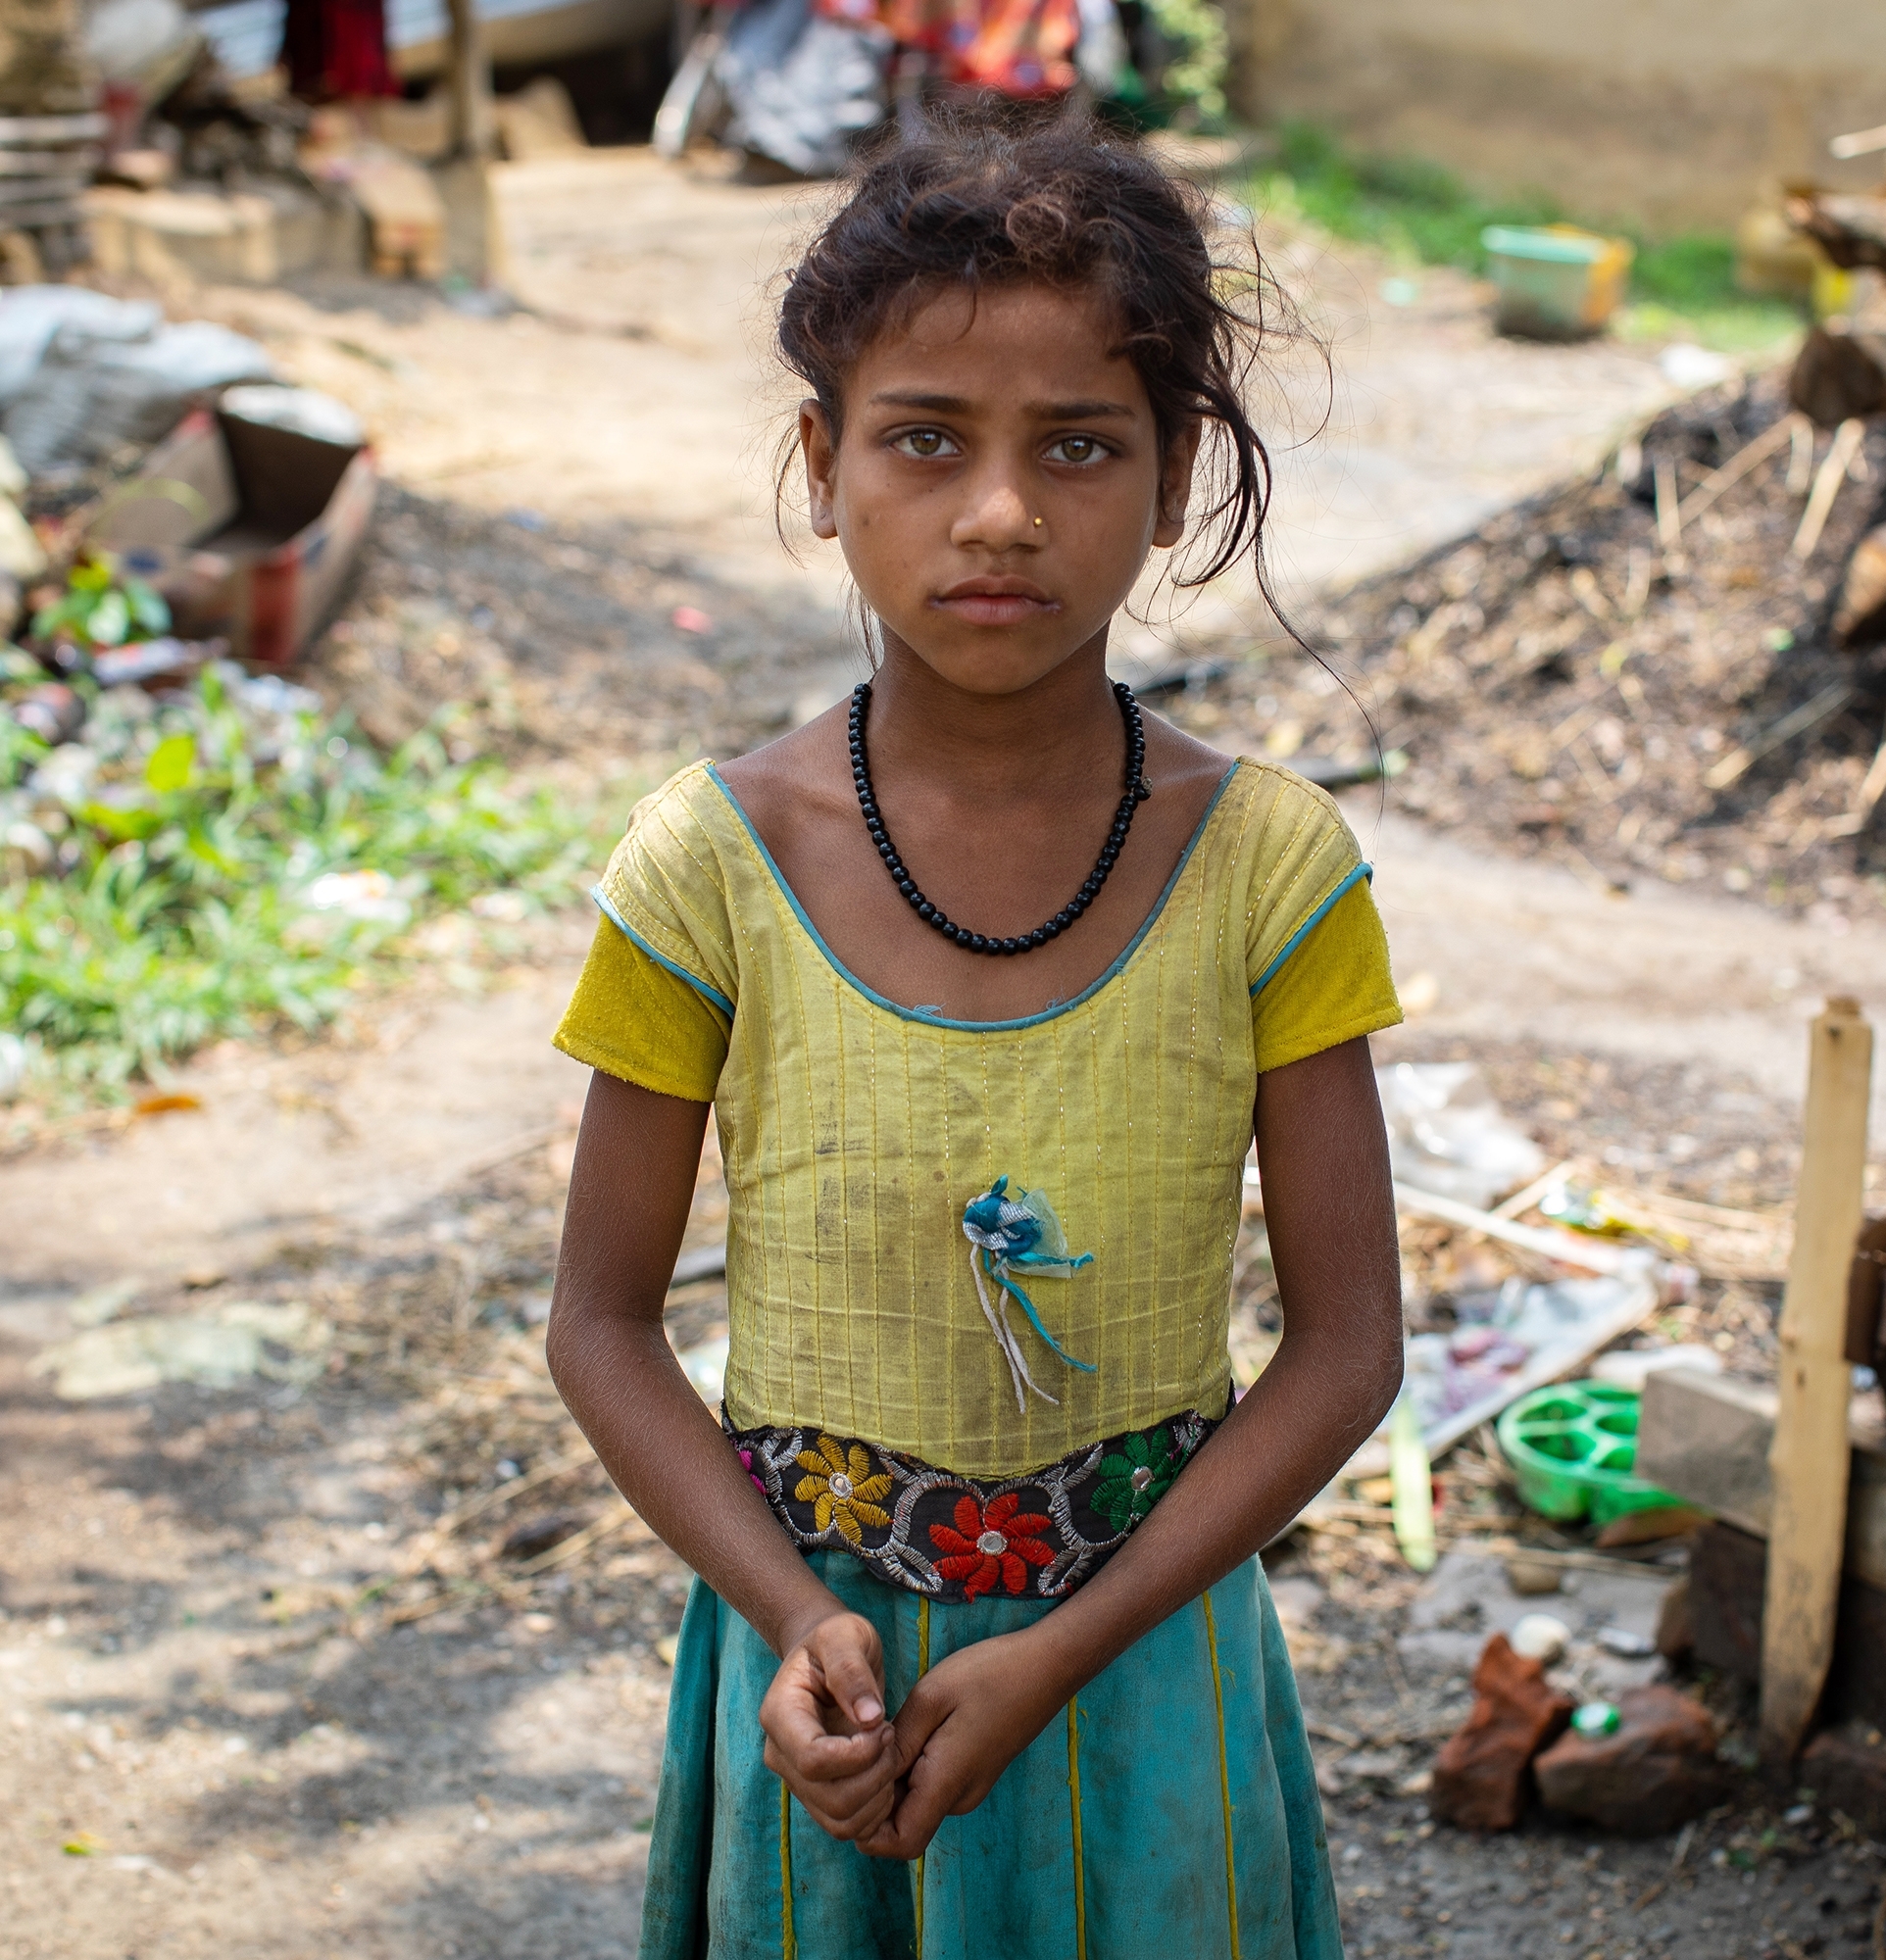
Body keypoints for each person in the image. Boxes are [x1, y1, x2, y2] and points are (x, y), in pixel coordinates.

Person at [548, 102, 1406, 1960]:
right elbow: (601, 1328)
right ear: (824, 461)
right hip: (819, 1707)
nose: (1001, 511)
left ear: (1173, 478)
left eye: (1078, 446)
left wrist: (1061, 1650)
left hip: (1150, 1678)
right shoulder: (708, 868)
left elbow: (1347, 1352)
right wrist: (790, 1613)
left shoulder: (1273, 874)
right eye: (926, 440)